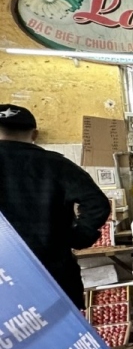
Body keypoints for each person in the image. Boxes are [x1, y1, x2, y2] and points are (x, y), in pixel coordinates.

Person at [0, 104, 111, 308]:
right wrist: (78, 237)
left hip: (5, 275)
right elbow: (97, 203)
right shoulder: (56, 164)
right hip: (52, 268)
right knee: (64, 328)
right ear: (35, 134)